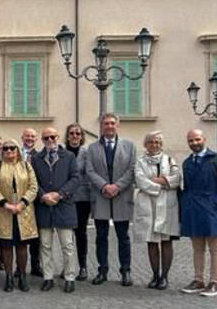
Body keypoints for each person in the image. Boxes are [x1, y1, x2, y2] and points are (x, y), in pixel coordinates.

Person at [179, 129, 217, 297]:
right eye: (191, 140)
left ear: (204, 139)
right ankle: (198, 280)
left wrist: (215, 203)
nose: (194, 143)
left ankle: (214, 282)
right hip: (193, 210)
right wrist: (184, 205)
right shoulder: (187, 162)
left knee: (215, 247)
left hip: (211, 210)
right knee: (197, 248)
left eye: (197, 139)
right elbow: (187, 188)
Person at [85, 113, 137, 287]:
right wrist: (104, 186)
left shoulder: (129, 146)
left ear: (118, 126)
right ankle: (102, 270)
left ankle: (126, 271)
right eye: (106, 123)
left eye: (112, 123)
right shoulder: (92, 148)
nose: (109, 126)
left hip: (121, 197)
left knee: (123, 237)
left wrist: (117, 187)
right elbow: (90, 170)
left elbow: (131, 170)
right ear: (101, 126)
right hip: (101, 196)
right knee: (101, 237)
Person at [31, 127, 80, 293]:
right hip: (44, 207)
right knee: (45, 245)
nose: (50, 140)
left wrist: (60, 194)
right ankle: (48, 277)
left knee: (67, 245)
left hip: (64, 206)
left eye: (52, 136)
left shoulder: (69, 156)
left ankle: (70, 277)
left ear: (58, 137)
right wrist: (43, 196)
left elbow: (75, 178)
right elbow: (32, 182)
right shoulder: (36, 158)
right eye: (46, 138)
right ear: (42, 140)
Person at [0, 138, 38, 293]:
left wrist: (22, 203)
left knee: (22, 246)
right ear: (2, 151)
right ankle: (8, 277)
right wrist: (5, 204)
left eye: (12, 148)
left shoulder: (26, 165)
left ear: (17, 150)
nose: (9, 151)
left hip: (23, 211)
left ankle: (22, 276)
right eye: (6, 149)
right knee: (6, 245)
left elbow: (33, 187)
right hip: (3, 211)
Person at [133, 131, 181, 290]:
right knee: (151, 242)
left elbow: (177, 179)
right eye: (151, 142)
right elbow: (141, 182)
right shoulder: (140, 161)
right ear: (146, 144)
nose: (155, 145)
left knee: (166, 241)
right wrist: (163, 184)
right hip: (148, 205)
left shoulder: (169, 159)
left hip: (167, 205)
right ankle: (154, 275)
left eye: (158, 142)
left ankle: (164, 277)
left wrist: (159, 181)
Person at [64, 123, 90, 281]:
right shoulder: (62, 152)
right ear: (67, 136)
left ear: (81, 137)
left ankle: (83, 266)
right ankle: (67, 267)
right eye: (72, 133)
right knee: (65, 235)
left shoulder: (87, 153)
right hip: (65, 199)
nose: (75, 136)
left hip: (82, 198)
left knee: (81, 233)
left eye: (78, 134)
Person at [20, 127, 42, 277]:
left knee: (36, 236)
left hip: (35, 200)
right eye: (27, 136)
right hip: (17, 199)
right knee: (18, 235)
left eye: (32, 137)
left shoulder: (40, 156)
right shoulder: (13, 153)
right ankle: (19, 267)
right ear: (22, 138)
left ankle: (35, 265)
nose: (29, 139)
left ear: (36, 139)